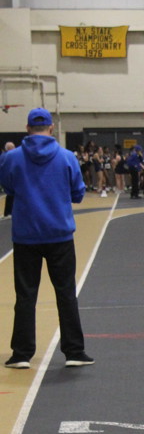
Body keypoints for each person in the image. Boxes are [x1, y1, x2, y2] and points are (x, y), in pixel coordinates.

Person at [0, 108, 93, 369]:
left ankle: (21, 354)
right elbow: (78, 193)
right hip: (59, 234)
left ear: (27, 128)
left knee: (25, 295)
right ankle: (74, 351)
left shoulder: (11, 158)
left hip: (26, 235)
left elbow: (8, 187)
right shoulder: (66, 157)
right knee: (66, 293)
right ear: (51, 128)